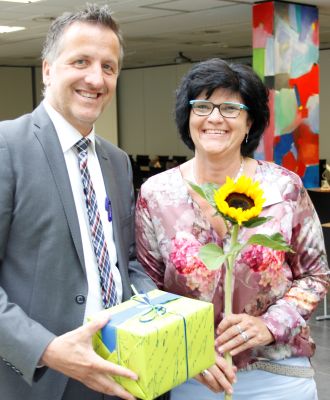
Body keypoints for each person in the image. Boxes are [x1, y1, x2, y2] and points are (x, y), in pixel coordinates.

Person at [135, 58, 330, 399]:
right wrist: (187, 348)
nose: (214, 117)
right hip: (194, 375)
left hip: (277, 373)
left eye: (229, 107)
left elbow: (316, 275)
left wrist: (271, 324)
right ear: (188, 116)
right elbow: (146, 291)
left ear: (249, 120)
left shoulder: (283, 188)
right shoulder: (157, 194)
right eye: (203, 105)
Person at [0, 4, 160, 400]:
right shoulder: (6, 147)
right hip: (36, 378)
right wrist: (48, 350)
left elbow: (126, 262)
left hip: (118, 370)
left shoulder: (117, 161)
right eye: (81, 61)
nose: (96, 78)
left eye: (109, 67)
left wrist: (163, 310)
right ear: (48, 69)